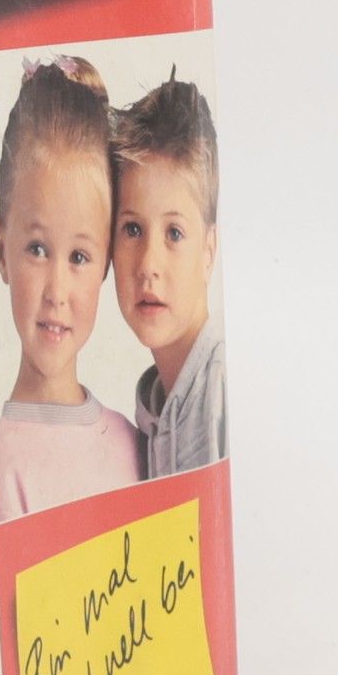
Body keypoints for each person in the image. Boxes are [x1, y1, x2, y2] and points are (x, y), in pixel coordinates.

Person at [0, 55, 142, 520]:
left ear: (106, 263)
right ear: (1, 249)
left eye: (78, 257)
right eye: (37, 249)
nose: (56, 291)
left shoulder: (133, 441)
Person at [111, 73, 228, 476]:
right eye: (132, 229)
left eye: (174, 233)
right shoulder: (152, 409)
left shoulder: (223, 384)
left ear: (208, 251)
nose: (148, 264)